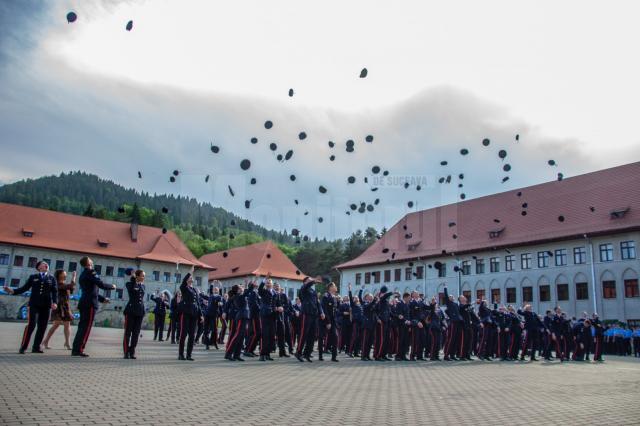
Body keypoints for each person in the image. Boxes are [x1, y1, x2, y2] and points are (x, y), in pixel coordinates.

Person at [4, 260, 58, 354]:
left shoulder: (51, 278)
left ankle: (36, 347)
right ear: (39, 268)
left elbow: (54, 291)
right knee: (31, 325)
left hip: (46, 306)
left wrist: (55, 302)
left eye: (46, 264)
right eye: (43, 264)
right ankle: (23, 347)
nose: (46, 265)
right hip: (34, 305)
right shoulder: (33, 277)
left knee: (42, 327)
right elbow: (24, 288)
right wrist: (12, 291)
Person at [71, 256, 115, 357]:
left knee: (82, 326)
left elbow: (91, 291)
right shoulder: (91, 272)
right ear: (88, 263)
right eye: (90, 260)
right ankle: (79, 349)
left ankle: (76, 348)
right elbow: (101, 285)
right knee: (86, 327)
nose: (92, 261)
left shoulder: (82, 275)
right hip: (90, 304)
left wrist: (102, 299)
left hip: (84, 301)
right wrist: (112, 286)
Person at [42, 269, 76, 350]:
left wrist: (71, 285)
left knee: (63, 324)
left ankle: (66, 342)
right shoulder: (57, 284)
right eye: (64, 273)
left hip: (65, 306)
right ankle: (47, 341)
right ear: (59, 275)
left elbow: (71, 289)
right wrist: (74, 277)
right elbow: (71, 285)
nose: (65, 274)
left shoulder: (63, 284)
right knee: (58, 324)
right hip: (60, 307)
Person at [295, 277, 325, 362]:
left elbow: (318, 303)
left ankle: (307, 353)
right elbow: (305, 287)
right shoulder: (303, 288)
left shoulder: (313, 291)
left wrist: (322, 312)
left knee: (312, 335)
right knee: (304, 334)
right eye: (309, 280)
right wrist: (312, 281)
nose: (311, 281)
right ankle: (298, 352)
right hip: (306, 314)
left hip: (314, 315)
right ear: (305, 282)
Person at [178, 267, 203, 361]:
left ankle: (189, 354)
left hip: (194, 314)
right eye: (190, 277)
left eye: (192, 277)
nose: (191, 278)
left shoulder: (195, 290)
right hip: (186, 313)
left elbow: (198, 303)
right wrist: (189, 272)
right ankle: (181, 354)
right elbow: (184, 281)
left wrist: (201, 315)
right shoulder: (184, 288)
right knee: (183, 334)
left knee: (192, 335)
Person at [224, 283, 251, 361]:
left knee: (241, 336)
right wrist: (253, 282)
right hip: (241, 317)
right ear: (238, 291)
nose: (242, 288)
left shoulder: (241, 296)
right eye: (240, 288)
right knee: (237, 335)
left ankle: (237, 355)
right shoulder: (238, 296)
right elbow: (248, 291)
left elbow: (246, 292)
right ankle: (228, 353)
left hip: (245, 317)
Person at [123, 269, 146, 359]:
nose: (143, 277)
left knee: (136, 333)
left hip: (139, 312)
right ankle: (126, 352)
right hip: (131, 311)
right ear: (137, 276)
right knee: (128, 332)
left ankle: (132, 352)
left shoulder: (143, 286)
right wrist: (133, 278)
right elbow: (133, 288)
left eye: (144, 276)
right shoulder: (130, 284)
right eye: (142, 275)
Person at [258, 276, 277, 361]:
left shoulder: (275, 293)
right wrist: (264, 280)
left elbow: (277, 303)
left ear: (272, 284)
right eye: (267, 283)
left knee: (271, 335)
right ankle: (262, 354)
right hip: (264, 314)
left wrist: (280, 307)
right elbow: (259, 289)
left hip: (272, 316)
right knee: (264, 335)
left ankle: (268, 354)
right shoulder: (263, 291)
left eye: (270, 283)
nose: (269, 284)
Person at [319, 282, 339, 362]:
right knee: (321, 337)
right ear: (330, 287)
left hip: (333, 321)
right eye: (334, 286)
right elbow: (325, 310)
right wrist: (328, 322)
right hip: (325, 321)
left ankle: (334, 357)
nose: (336, 287)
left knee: (335, 337)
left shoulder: (334, 297)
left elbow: (335, 310)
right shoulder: (325, 296)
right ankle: (320, 355)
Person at [204, 285, 222, 350]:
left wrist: (220, 304)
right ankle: (207, 344)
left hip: (214, 315)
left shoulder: (219, 297)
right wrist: (212, 284)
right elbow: (210, 290)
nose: (215, 290)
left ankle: (214, 343)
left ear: (218, 291)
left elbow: (220, 302)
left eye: (216, 289)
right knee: (206, 330)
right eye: (214, 289)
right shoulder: (211, 296)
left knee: (214, 330)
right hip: (207, 314)